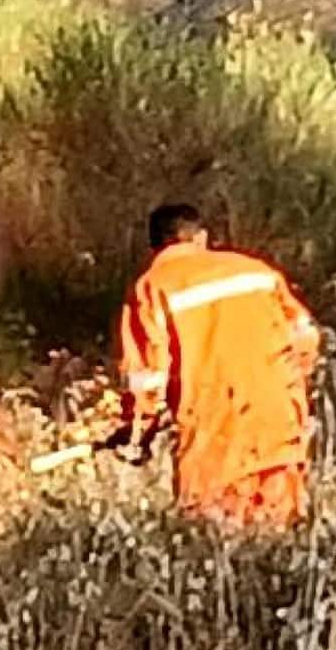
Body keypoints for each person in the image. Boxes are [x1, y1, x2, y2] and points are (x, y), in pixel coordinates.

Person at [115, 204, 320, 530]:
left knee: (214, 540)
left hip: (212, 434)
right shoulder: (258, 272)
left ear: (154, 247)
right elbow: (306, 339)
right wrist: (287, 388)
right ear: (202, 237)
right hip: (276, 420)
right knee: (281, 536)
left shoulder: (152, 287)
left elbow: (147, 379)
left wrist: (137, 433)